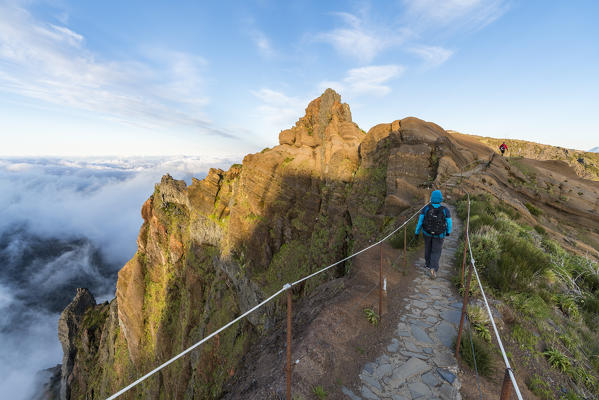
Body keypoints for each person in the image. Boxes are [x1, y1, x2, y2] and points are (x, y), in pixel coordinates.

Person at [414, 190, 452, 278]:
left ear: (431, 198)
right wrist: (448, 232)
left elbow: (420, 222)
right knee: (436, 251)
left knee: (428, 248)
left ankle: (427, 264)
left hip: (426, 233)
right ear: (440, 199)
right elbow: (449, 222)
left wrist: (416, 232)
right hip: (439, 235)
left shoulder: (426, 208)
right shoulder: (445, 210)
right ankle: (433, 268)